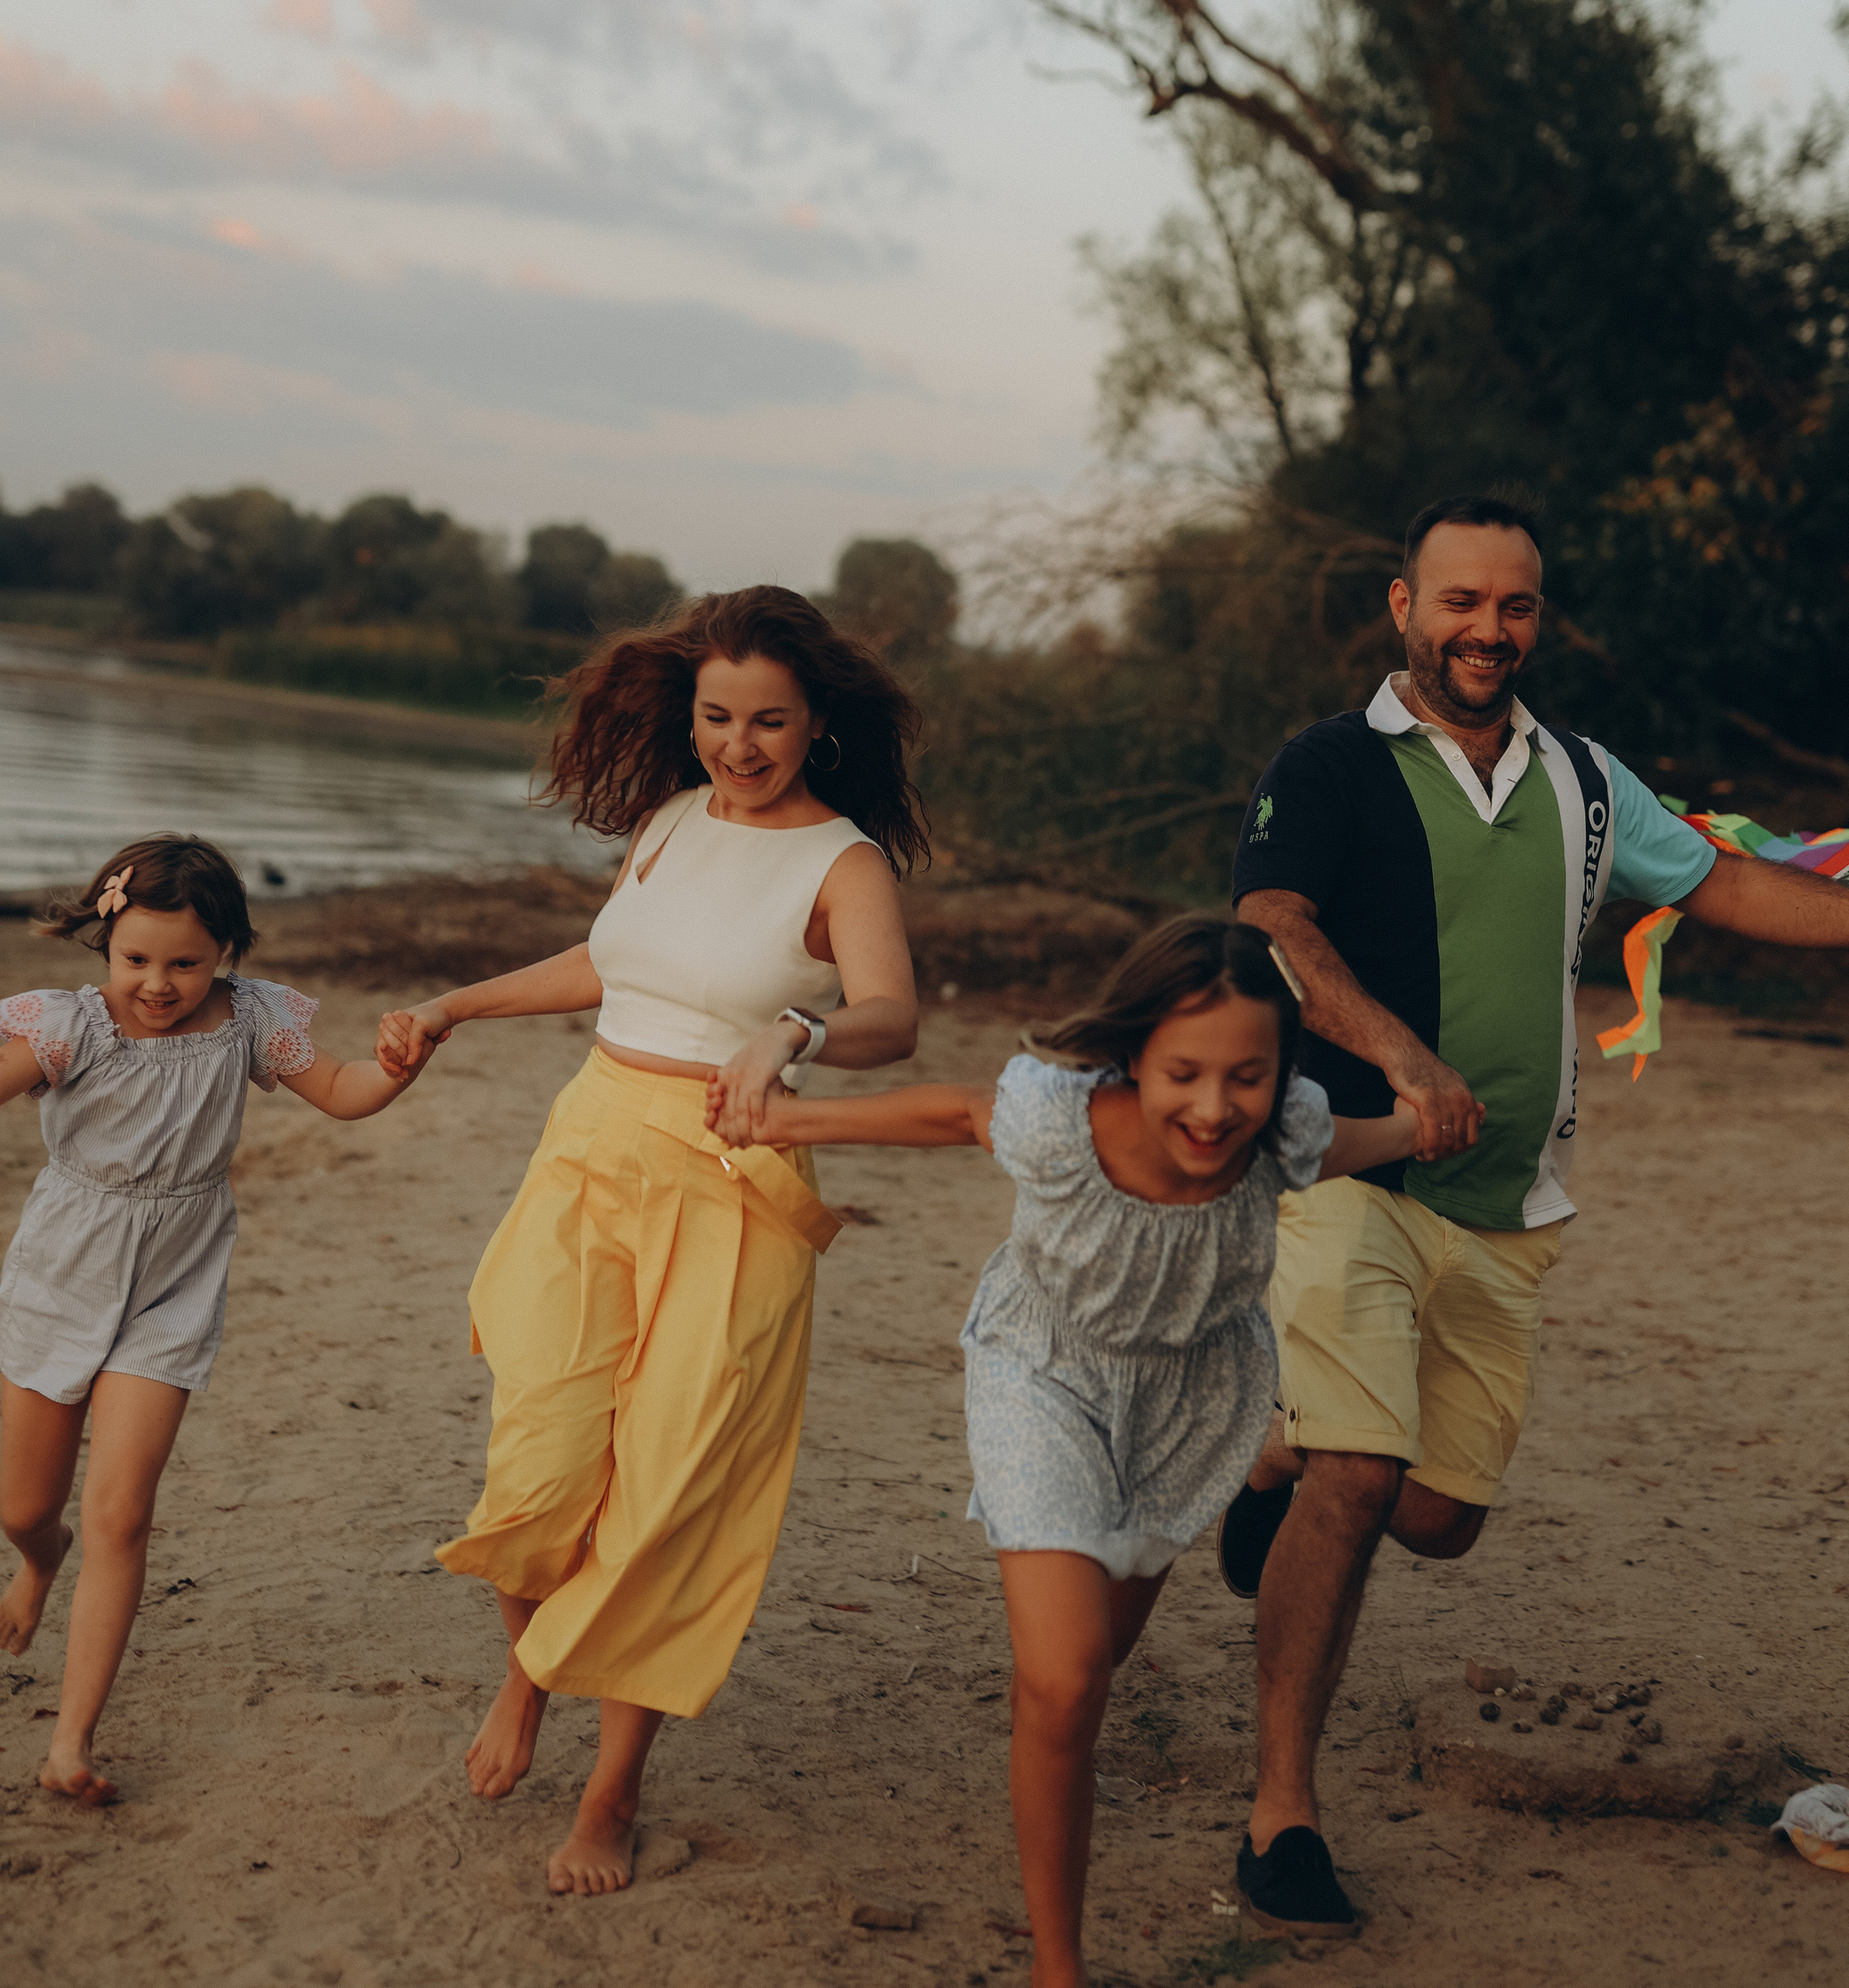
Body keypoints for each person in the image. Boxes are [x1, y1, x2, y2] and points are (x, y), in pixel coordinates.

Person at [1224, 490, 1849, 1942]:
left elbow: (1730, 888)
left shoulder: (1579, 776)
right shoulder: (1326, 764)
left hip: (1505, 1206)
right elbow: (1272, 927)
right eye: (1458, 601)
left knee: (1435, 1519)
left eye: (1510, 605)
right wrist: (1399, 1057)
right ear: (1402, 606)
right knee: (1366, 1478)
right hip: (1349, 1171)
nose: (1483, 629)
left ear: (1534, 617)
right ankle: (1279, 1821)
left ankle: (1275, 1466)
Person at [709, 915, 1468, 1988]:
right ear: (1134, 1058)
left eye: (1246, 1077)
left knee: (1090, 1667)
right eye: (1185, 1074)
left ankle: (1260, 1471)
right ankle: (1057, 1968)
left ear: (1280, 1072)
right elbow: (955, 1112)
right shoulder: (1060, 1117)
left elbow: (1338, 1144)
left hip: (1192, 1402)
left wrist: (1417, 1128)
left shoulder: (1285, 1129)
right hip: (1045, 1375)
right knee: (1065, 1684)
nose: (1214, 1108)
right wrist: (789, 1124)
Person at [375, 586, 925, 1899]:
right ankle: (529, 1669)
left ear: (816, 725)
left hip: (733, 1186)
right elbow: (611, 965)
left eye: (770, 723)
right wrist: (457, 1005)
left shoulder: (842, 862)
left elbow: (893, 1015)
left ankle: (614, 1792)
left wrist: (795, 1033)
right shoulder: (672, 822)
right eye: (719, 716)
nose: (741, 746)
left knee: (669, 1493)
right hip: (589, 1153)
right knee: (539, 1467)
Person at [0, 833, 424, 1805]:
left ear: (226, 952)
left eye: (185, 963)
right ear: (104, 945)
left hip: (174, 1285)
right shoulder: (71, 1030)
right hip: (62, 1274)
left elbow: (346, 1093)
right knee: (27, 1505)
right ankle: (37, 1559)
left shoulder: (250, 1022)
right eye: (136, 959)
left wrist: (401, 1063)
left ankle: (70, 1742)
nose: (158, 984)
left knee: (122, 1511)